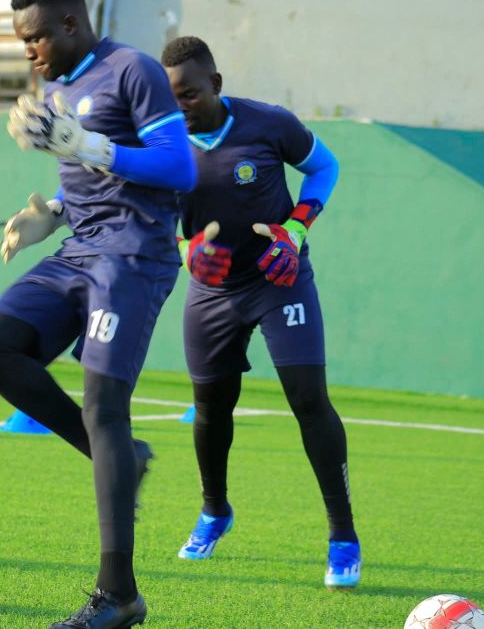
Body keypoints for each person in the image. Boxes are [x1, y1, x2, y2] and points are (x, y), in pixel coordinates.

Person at [0, 0, 199, 629]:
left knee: (104, 407)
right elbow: (93, 179)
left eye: (36, 37)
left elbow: (178, 167)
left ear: (71, 24)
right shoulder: (57, 88)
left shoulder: (132, 70)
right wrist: (54, 211)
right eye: (23, 40)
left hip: (134, 255)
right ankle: (119, 456)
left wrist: (88, 146)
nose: (28, 50)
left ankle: (118, 596)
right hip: (81, 250)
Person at [160, 36, 360, 589]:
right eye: (170, 97)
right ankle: (214, 510)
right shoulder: (159, 142)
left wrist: (296, 229)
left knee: (308, 400)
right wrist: (185, 250)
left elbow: (325, 168)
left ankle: (343, 536)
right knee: (211, 407)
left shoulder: (269, 124)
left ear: (215, 84)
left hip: (279, 280)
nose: (180, 106)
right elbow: (152, 217)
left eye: (190, 94)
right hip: (212, 291)